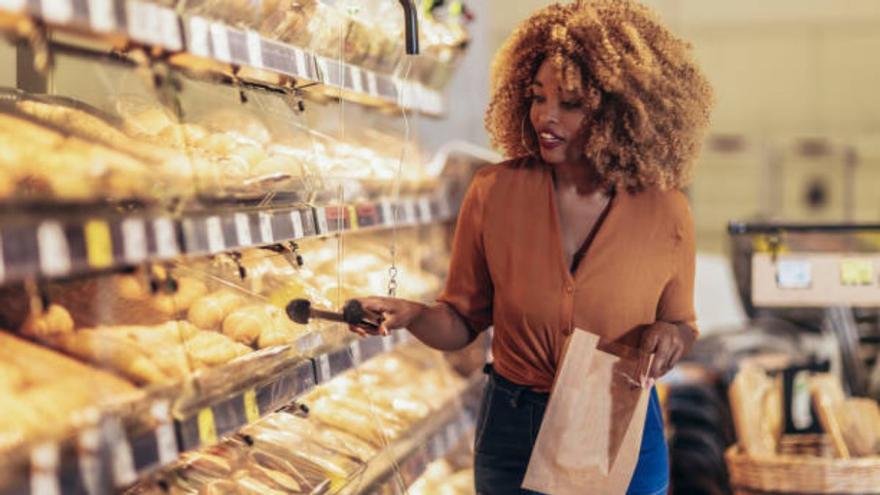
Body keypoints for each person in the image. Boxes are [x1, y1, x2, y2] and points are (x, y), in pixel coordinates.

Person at [349, 1, 713, 493]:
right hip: (514, 428)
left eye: (570, 103)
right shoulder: (494, 193)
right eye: (537, 97)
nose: (546, 116)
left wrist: (672, 336)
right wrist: (413, 315)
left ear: (620, 110)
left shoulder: (665, 212)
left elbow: (682, 324)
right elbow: (461, 322)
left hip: (615, 421)